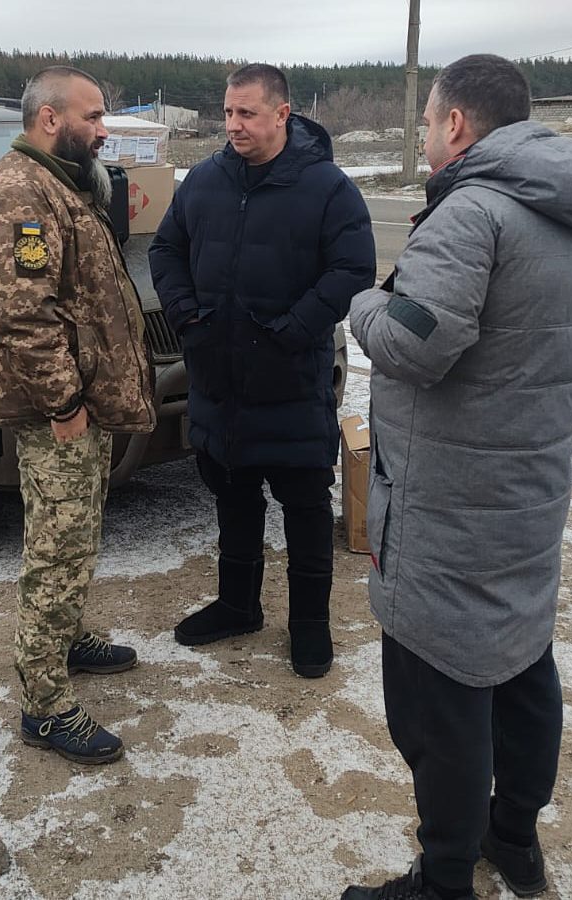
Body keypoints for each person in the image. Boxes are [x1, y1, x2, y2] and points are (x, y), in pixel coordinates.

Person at [340, 55, 572, 900]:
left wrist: (361, 304)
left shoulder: (473, 214)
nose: (426, 136)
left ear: (456, 124)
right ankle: (516, 842)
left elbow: (413, 343)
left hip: (448, 505)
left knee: (441, 704)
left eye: (428, 122)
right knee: (524, 666)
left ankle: (446, 878)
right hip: (528, 492)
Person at [149, 63, 375, 678]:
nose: (233, 125)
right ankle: (236, 605)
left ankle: (310, 628)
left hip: (290, 380)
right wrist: (185, 314)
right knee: (233, 495)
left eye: (246, 113)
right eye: (228, 113)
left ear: (282, 114)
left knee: (304, 506)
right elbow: (166, 248)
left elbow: (354, 268)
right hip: (219, 380)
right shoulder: (205, 180)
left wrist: (297, 328)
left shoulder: (327, 188)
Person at [0, 66, 156, 765]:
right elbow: (22, 316)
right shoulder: (21, 191)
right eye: (95, 116)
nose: (105, 128)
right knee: (56, 548)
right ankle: (44, 706)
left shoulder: (61, 182)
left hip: (79, 407)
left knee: (75, 538)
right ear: (51, 119)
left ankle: (67, 637)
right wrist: (65, 403)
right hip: (58, 414)